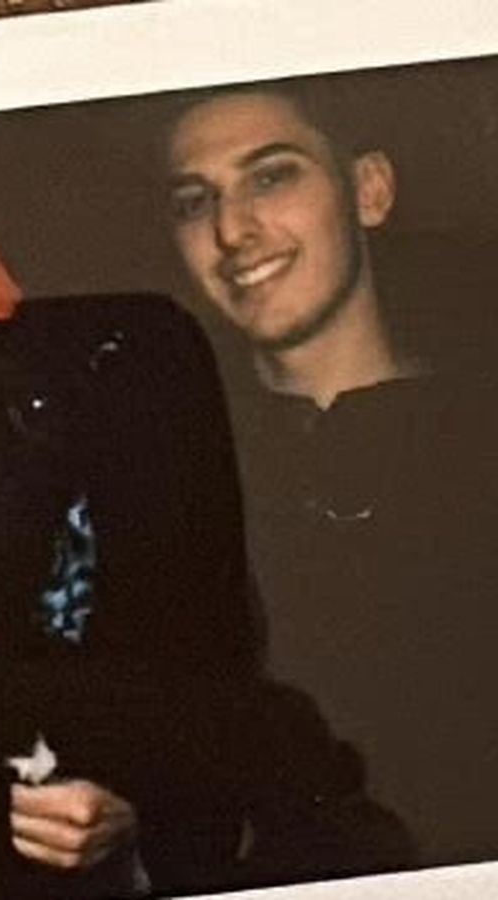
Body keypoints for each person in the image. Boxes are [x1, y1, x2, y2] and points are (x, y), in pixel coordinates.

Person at [164, 84, 498, 865]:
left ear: (368, 190)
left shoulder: (476, 439)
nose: (232, 230)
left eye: (271, 176)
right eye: (194, 201)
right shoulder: (174, 480)